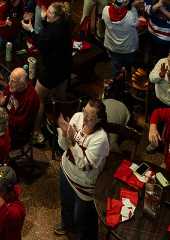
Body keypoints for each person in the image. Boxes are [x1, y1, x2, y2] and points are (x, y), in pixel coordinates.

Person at [55, 99, 110, 240]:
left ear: (99, 119)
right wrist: (64, 133)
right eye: (84, 111)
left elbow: (85, 165)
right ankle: (67, 225)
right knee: (66, 203)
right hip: (66, 170)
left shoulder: (101, 138)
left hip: (84, 182)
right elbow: (63, 147)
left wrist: (73, 141)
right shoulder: (77, 117)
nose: (84, 117)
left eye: (89, 116)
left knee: (84, 219)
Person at [101, 0, 141, 83]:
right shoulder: (130, 15)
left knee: (116, 65)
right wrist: (133, 8)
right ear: (125, 2)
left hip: (113, 47)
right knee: (128, 65)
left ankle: (117, 85)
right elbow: (137, 23)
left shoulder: (106, 10)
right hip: (128, 48)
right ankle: (127, 81)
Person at [0, 67, 39, 149]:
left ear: (22, 84)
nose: (9, 83)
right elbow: (6, 105)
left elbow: (21, 126)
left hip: (18, 135)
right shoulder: (12, 86)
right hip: (6, 121)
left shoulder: (30, 99)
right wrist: (2, 103)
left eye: (13, 82)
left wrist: (3, 115)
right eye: (9, 79)